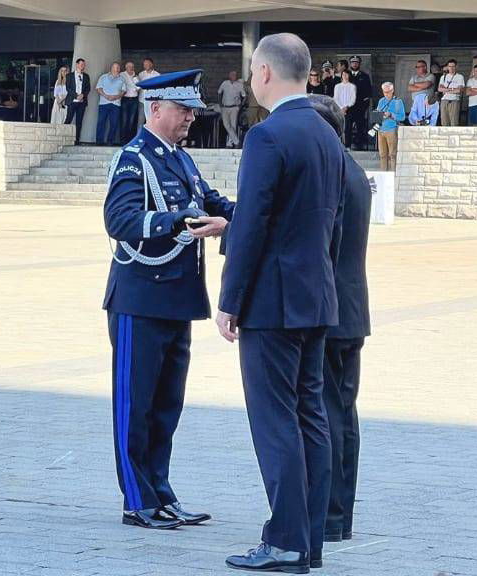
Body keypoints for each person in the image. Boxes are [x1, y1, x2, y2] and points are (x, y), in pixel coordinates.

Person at [218, 33, 343, 574]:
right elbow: (330, 224)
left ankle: (286, 540)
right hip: (316, 296)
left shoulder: (267, 137)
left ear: (265, 72)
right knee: (310, 416)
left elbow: (252, 225)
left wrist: (229, 299)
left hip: (272, 301)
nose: (250, 81)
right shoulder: (325, 134)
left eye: (252, 71)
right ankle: (308, 539)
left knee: (275, 423)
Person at [104, 68, 234, 531]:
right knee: (135, 406)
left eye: (192, 112)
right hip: (140, 297)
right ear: (155, 109)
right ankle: (137, 500)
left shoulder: (180, 159)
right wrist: (177, 220)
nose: (190, 120)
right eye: (183, 111)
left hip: (176, 299)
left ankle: (160, 492)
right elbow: (119, 220)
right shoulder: (134, 160)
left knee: (165, 407)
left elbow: (213, 202)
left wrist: (250, 216)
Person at [307, 94, 372, 546]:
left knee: (329, 414)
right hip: (350, 308)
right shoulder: (351, 168)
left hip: (330, 312)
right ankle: (338, 515)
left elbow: (319, 241)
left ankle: (330, 515)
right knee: (342, 415)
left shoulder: (332, 172)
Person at [375, 82, 406, 171]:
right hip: (381, 130)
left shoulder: (398, 101)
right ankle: (384, 174)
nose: (386, 94)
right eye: (384, 92)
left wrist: (391, 115)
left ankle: (393, 175)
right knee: (382, 154)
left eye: (388, 92)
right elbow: (377, 113)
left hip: (391, 129)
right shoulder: (381, 101)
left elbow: (402, 117)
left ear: (392, 91)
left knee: (392, 154)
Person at [95, 61, 126, 145]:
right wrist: (106, 96)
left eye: (118, 67)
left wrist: (116, 96)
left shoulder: (122, 78)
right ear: (111, 68)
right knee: (101, 122)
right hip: (104, 103)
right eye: (116, 67)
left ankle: (110, 141)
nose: (117, 69)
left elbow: (123, 91)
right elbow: (98, 88)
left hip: (116, 104)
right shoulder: (103, 77)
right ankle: (99, 141)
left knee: (114, 123)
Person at [347, 56, 372, 150]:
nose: (354, 64)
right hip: (348, 106)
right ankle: (348, 145)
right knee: (348, 127)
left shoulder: (364, 76)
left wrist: (364, 106)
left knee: (360, 127)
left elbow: (368, 92)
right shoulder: (346, 75)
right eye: (353, 62)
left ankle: (359, 145)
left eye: (356, 62)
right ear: (350, 64)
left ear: (359, 64)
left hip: (360, 106)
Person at [64, 58, 91, 144]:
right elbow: (68, 88)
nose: (83, 66)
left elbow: (88, 88)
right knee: (68, 119)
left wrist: (83, 95)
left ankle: (77, 140)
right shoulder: (69, 76)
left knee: (79, 122)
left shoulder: (86, 76)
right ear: (77, 64)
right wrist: (76, 95)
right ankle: (63, 138)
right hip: (72, 101)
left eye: (84, 64)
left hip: (82, 103)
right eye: (81, 64)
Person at [218, 70, 247, 148]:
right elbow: (219, 93)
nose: (234, 76)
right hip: (225, 107)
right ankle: (236, 141)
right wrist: (220, 103)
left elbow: (244, 96)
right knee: (226, 125)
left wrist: (240, 105)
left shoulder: (239, 85)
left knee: (233, 125)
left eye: (235, 75)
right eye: (232, 75)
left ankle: (229, 143)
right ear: (229, 76)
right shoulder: (225, 83)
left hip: (234, 107)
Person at [333, 70, 356, 147]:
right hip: (339, 110)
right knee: (339, 127)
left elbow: (353, 99)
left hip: (349, 110)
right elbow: (336, 98)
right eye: (343, 74)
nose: (345, 76)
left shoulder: (352, 86)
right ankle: (338, 145)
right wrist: (341, 108)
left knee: (348, 128)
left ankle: (347, 145)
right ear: (341, 76)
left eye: (347, 74)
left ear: (349, 75)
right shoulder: (337, 86)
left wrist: (346, 107)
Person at [438, 59, 464, 127]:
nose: (451, 68)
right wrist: (453, 89)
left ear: (456, 67)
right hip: (444, 100)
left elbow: (459, 90)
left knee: (454, 122)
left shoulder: (460, 77)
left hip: (454, 101)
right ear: (447, 67)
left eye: (453, 66)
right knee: (444, 122)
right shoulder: (443, 77)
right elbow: (440, 89)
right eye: (450, 66)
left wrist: (446, 90)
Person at [120, 61, 140, 142]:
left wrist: (134, 78)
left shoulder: (136, 76)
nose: (130, 68)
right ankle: (122, 140)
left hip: (134, 100)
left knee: (132, 120)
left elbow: (138, 88)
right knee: (124, 120)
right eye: (129, 66)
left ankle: (129, 140)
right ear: (126, 67)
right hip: (125, 99)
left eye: (132, 66)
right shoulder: (122, 75)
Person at [137, 57, 160, 125]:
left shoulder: (157, 75)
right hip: (142, 101)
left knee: (151, 122)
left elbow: (159, 88)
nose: (146, 65)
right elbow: (137, 87)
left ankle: (150, 135)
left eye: (147, 64)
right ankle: (139, 135)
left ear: (151, 64)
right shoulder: (141, 74)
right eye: (144, 64)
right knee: (140, 121)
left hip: (152, 102)